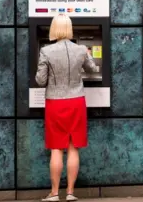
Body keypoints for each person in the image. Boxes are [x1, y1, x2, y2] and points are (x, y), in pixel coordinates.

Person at [35, 14, 99, 202]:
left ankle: (54, 193)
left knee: (56, 148)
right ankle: (70, 192)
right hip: (76, 101)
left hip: (55, 102)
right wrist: (87, 57)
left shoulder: (46, 51)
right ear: (69, 29)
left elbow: (40, 81)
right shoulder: (80, 49)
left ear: (53, 29)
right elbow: (93, 69)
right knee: (73, 147)